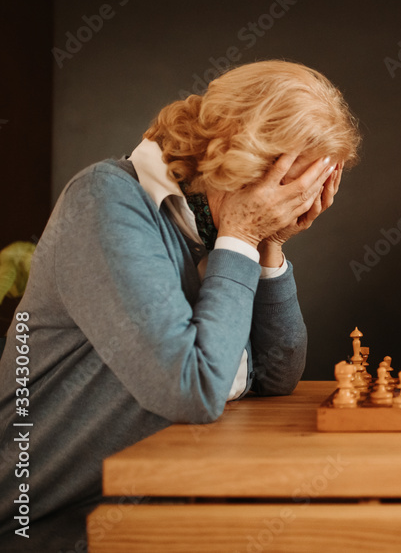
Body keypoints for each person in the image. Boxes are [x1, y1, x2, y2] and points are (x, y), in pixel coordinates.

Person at [0, 60, 361, 550]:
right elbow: (191, 389)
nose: (291, 204)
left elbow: (277, 376)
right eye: (286, 188)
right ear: (239, 159)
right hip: (40, 525)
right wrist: (243, 234)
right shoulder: (105, 201)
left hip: (142, 513)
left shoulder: (212, 226)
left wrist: (270, 241)